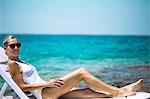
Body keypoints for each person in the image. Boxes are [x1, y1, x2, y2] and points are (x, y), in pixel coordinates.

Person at [2, 35, 143, 99]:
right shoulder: (13, 64)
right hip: (44, 93)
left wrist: (48, 83)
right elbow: (20, 87)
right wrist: (47, 83)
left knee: (87, 92)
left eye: (18, 45)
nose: (16, 48)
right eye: (12, 46)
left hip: (47, 90)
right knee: (81, 72)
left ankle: (120, 92)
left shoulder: (21, 62)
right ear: (5, 48)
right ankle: (119, 91)